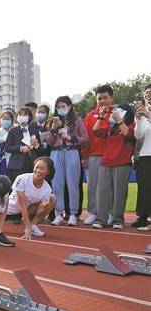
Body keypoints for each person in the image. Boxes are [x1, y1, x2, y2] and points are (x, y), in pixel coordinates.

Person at [92, 104, 136, 229]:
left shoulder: (131, 126)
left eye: (118, 111)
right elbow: (95, 131)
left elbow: (128, 134)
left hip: (122, 163)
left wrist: (120, 120)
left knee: (119, 193)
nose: (114, 113)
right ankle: (101, 219)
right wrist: (101, 118)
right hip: (106, 163)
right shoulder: (111, 128)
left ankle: (117, 220)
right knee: (102, 192)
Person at [47, 96, 88, 226]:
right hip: (56, 153)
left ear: (69, 106)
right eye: (58, 107)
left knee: (72, 184)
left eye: (63, 106)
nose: (60, 109)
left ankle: (73, 214)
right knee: (56, 184)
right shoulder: (53, 121)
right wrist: (54, 129)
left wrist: (71, 138)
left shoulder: (77, 120)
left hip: (71, 152)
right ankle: (59, 214)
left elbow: (85, 138)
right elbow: (49, 141)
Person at [81, 85, 114, 225]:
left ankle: (111, 212)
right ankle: (93, 213)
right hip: (93, 155)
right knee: (92, 185)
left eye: (105, 98)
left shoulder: (117, 114)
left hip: (112, 156)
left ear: (112, 98)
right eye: (99, 98)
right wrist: (84, 156)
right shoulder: (90, 116)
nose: (102, 101)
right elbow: (86, 138)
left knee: (110, 187)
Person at [7, 157, 57, 238]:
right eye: (36, 167)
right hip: (9, 210)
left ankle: (33, 225)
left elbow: (40, 213)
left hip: (27, 210)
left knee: (53, 198)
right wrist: (27, 227)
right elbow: (22, 204)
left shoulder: (47, 189)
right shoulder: (22, 178)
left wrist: (43, 208)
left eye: (42, 169)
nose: (38, 171)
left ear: (48, 172)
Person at [5, 107, 42, 183]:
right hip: (17, 165)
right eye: (20, 115)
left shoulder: (34, 130)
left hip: (32, 163)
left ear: (29, 117)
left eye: (24, 115)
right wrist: (20, 148)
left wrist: (37, 145)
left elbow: (41, 149)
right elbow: (7, 147)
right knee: (16, 187)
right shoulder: (13, 131)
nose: (21, 117)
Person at [134, 85, 151, 231]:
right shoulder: (142, 114)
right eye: (146, 93)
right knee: (144, 188)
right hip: (144, 155)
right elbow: (138, 135)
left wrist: (149, 116)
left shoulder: (148, 114)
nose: (148, 95)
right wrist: (139, 120)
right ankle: (144, 217)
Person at [0, 110, 14, 176]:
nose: (6, 121)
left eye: (8, 119)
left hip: (13, 158)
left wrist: (5, 142)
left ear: (11, 120)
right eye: (4, 119)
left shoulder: (14, 131)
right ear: (0, 120)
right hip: (2, 160)